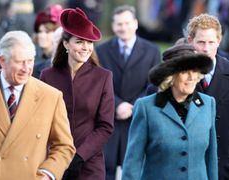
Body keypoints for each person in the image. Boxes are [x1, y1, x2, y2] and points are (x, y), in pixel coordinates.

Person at [0, 30, 75, 180]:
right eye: (19, 62)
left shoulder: (51, 97)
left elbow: (64, 146)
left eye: (30, 61)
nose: (26, 69)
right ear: (2, 60)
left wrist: (47, 175)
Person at [122, 44, 217, 180]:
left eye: (194, 71)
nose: (191, 77)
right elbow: (133, 161)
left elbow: (211, 157)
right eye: (185, 72)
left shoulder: (208, 104)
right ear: (170, 77)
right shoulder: (146, 107)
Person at [40, 8, 115, 180]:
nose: (86, 47)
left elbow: (105, 126)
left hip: (89, 165)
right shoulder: (47, 76)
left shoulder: (103, 77)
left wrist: (80, 156)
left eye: (89, 43)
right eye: (80, 42)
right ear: (66, 44)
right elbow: (41, 120)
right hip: (53, 163)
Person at [95, 5, 160, 180]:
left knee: (135, 170)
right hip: (109, 120)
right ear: (113, 26)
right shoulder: (100, 51)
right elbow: (98, 83)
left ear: (136, 24)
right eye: (119, 24)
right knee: (104, 170)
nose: (123, 28)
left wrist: (133, 106)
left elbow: (154, 84)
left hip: (137, 120)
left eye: (127, 23)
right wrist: (117, 104)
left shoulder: (152, 51)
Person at [186, 13, 229, 180]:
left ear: (219, 41)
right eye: (201, 42)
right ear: (190, 41)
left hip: (226, 167)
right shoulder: (179, 75)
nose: (206, 48)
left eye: (211, 42)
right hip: (188, 167)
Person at [31, 4, 63, 77]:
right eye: (40, 31)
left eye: (47, 32)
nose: (42, 36)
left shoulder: (62, 60)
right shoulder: (32, 57)